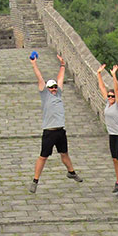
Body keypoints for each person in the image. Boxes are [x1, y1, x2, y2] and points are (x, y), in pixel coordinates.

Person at [29, 52, 83, 193]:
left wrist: (63, 65)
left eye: (54, 87)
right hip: (49, 132)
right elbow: (39, 78)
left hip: (60, 131)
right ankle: (35, 180)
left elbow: (60, 79)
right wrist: (34, 64)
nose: (53, 89)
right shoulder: (45, 94)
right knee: (43, 157)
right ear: (47, 88)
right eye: (51, 87)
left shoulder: (58, 93)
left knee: (64, 153)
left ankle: (71, 172)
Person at [97, 64, 118, 196]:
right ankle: (117, 181)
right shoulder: (108, 104)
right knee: (115, 159)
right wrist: (99, 73)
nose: (110, 98)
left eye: (112, 96)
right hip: (112, 135)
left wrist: (114, 75)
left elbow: (116, 89)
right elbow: (102, 87)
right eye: (109, 96)